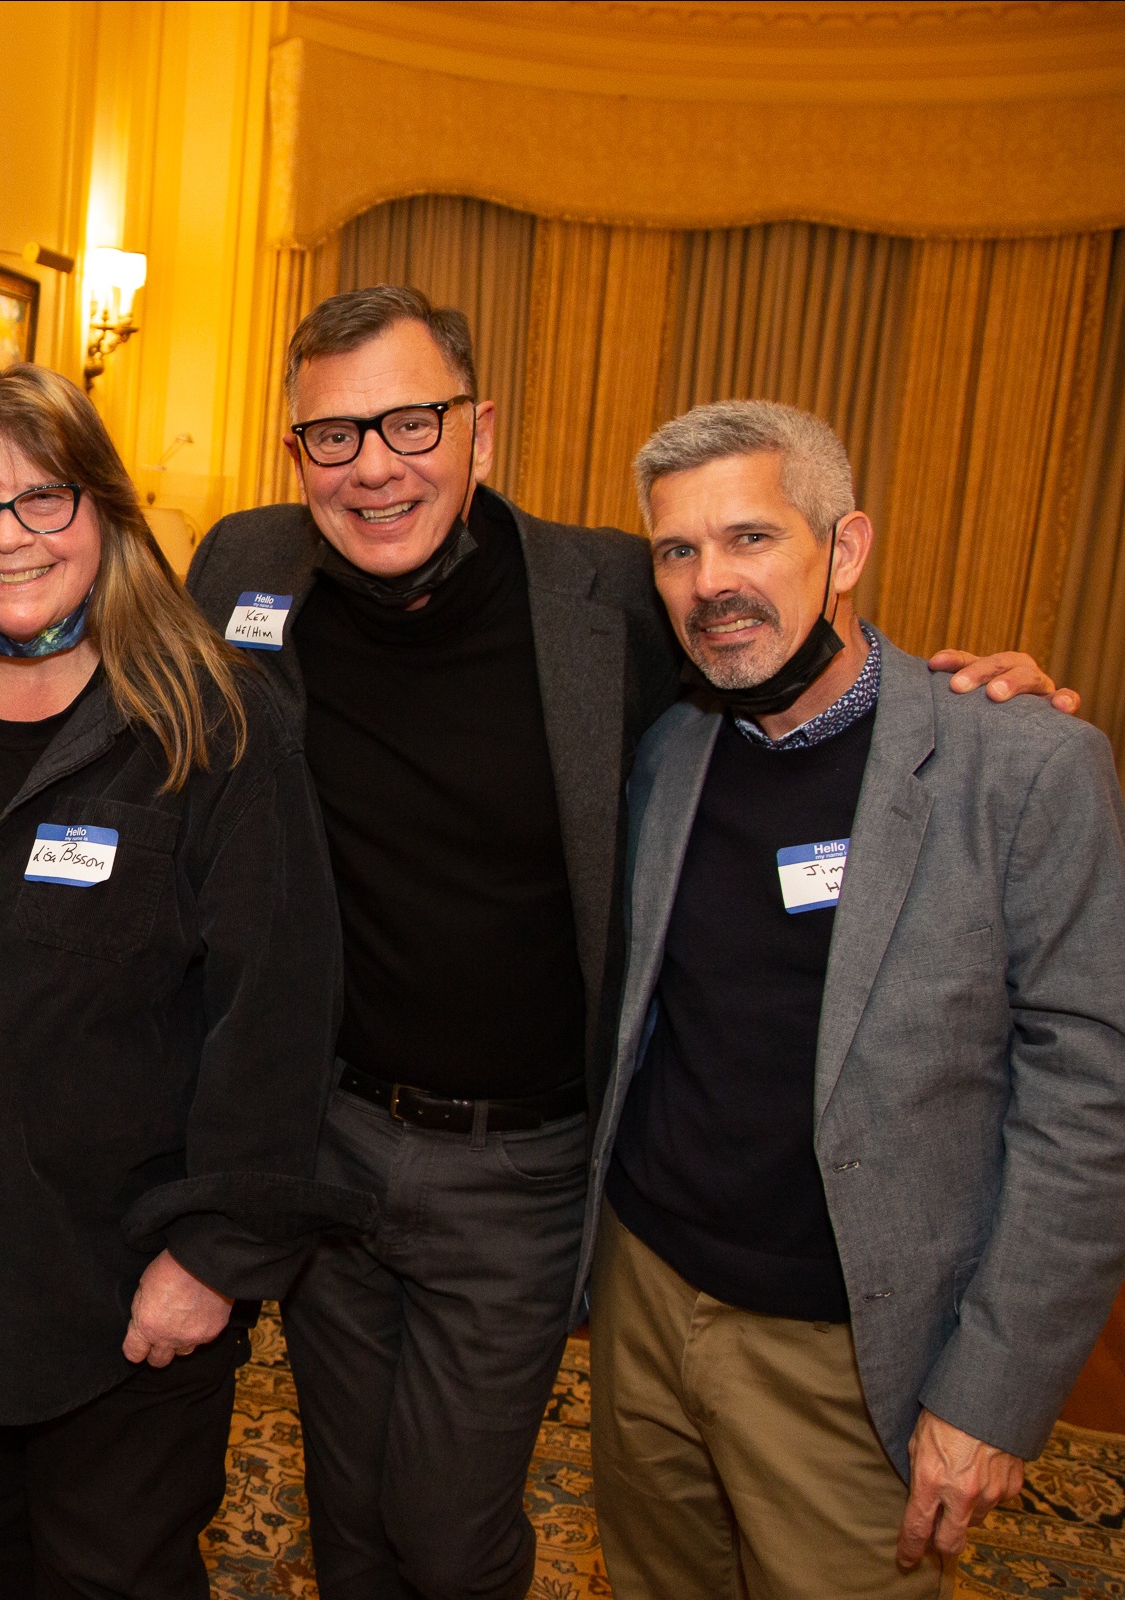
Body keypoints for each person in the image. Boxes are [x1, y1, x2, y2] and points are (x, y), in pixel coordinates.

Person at [182, 285, 1072, 1599]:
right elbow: (106, 658)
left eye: (412, 422)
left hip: (519, 1166)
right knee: (346, 1506)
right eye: (335, 434)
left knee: (447, 1527)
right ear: (294, 450)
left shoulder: (606, 590)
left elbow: (777, 648)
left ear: (482, 429)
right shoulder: (242, 569)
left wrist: (974, 704)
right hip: (326, 1141)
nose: (376, 465)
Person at [0, 364, 360, 1599]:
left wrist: (211, 1256)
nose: (9, 540)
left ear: (103, 511)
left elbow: (275, 1012)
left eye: (43, 500)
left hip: (119, 1299)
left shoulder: (214, 719)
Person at [579, 399, 1125, 1598]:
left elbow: (1092, 1106)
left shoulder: (1021, 766)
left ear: (848, 547)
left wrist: (995, 1392)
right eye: (678, 550)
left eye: (751, 538)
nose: (711, 580)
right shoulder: (666, 748)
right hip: (645, 1302)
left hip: (848, 1350)